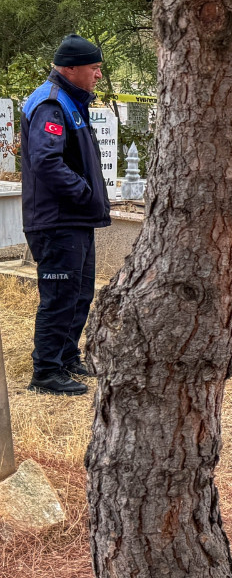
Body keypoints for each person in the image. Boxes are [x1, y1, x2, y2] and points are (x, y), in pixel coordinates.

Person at [20, 35, 112, 396]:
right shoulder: (51, 103)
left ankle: (66, 357)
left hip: (75, 220)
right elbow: (46, 160)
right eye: (94, 68)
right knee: (59, 295)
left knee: (79, 293)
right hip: (57, 220)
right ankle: (45, 372)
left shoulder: (70, 100)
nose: (98, 76)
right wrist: (83, 194)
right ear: (70, 68)